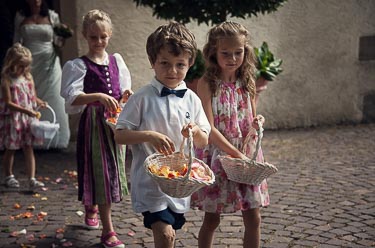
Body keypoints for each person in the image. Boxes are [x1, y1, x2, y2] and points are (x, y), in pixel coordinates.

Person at [114, 22, 211, 248]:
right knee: (165, 234)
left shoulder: (192, 99)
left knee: (171, 234)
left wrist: (194, 131)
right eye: (165, 63)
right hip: (150, 182)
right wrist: (149, 135)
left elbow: (204, 138)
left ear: (190, 64)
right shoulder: (142, 98)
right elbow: (119, 135)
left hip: (180, 184)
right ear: (152, 62)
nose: (172, 71)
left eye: (180, 65)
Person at [190, 21, 270, 248]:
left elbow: (251, 117)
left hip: (246, 156)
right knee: (212, 218)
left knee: (254, 217)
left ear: (246, 51)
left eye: (238, 52)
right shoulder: (207, 83)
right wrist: (235, 154)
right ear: (214, 51)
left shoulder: (248, 80)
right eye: (225, 53)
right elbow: (209, 128)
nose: (233, 58)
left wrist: (258, 122)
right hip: (220, 154)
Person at [60, 9, 132, 248]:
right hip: (93, 123)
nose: (99, 41)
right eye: (93, 37)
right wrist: (98, 96)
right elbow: (72, 98)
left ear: (109, 35)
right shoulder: (79, 65)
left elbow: (121, 93)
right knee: (100, 171)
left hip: (114, 123)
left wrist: (125, 95)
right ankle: (108, 232)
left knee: (112, 170)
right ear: (84, 36)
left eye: (103, 36)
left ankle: (91, 205)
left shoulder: (116, 61)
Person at [13, 0, 70, 149]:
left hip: (48, 62)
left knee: (53, 96)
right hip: (28, 63)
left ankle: (57, 138)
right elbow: (17, 41)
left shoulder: (52, 16)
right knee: (29, 96)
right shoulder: (20, 16)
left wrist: (64, 35)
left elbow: (58, 42)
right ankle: (30, 137)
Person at [0, 43, 46, 188]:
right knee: (11, 148)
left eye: (25, 66)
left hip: (28, 119)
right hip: (14, 119)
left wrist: (39, 102)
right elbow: (8, 102)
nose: (23, 69)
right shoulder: (6, 79)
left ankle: (31, 178)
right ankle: (8, 175)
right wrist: (27, 111)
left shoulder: (28, 77)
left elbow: (32, 97)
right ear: (11, 64)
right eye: (20, 66)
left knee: (28, 147)